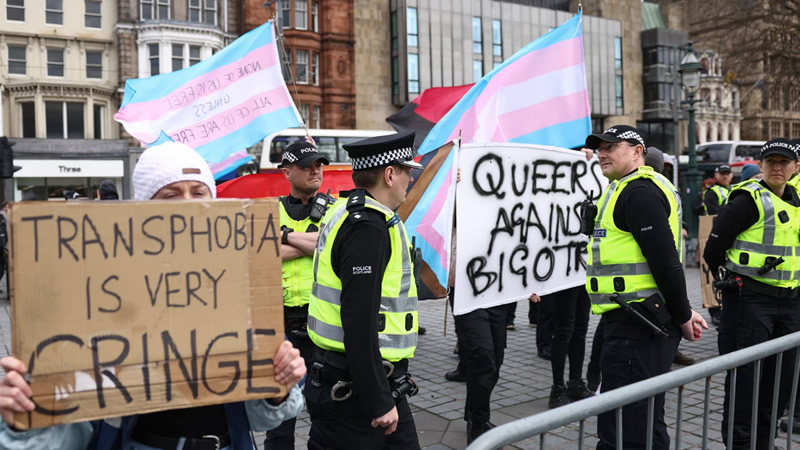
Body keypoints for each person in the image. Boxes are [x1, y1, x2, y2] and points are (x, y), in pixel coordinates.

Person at [0, 141, 307, 450]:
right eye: (171, 195)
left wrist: (278, 386)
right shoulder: (104, 294)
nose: (188, 205)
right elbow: (75, 432)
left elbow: (259, 419)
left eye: (198, 193)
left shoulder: (240, 288)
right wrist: (25, 418)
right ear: (145, 209)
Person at [585, 125, 707, 450]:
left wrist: (682, 314)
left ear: (637, 152)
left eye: (611, 147)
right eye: (600, 148)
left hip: (637, 326)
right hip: (638, 320)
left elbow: (665, 260)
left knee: (627, 426)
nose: (602, 154)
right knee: (642, 419)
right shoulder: (627, 188)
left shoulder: (638, 192)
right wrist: (681, 311)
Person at [304, 130, 423, 450]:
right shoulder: (367, 227)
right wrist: (378, 401)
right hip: (356, 394)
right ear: (389, 174)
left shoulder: (348, 211)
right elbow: (358, 322)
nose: (410, 179)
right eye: (407, 171)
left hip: (360, 382)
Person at [703, 138, 800, 449]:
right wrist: (734, 279)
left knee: (780, 382)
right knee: (746, 383)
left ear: (795, 167)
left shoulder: (796, 200)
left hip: (790, 302)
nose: (777, 167)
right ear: (760, 165)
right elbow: (712, 251)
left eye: (784, 162)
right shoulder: (747, 200)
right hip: (750, 302)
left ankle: (765, 442)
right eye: (771, 161)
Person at [266, 141, 332, 449]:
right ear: (286, 172)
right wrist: (312, 243)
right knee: (279, 418)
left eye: (318, 165)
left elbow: (329, 245)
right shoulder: (270, 210)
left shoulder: (335, 209)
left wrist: (284, 237)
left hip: (322, 326)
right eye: (306, 166)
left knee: (326, 416)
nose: (315, 171)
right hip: (280, 328)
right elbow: (262, 252)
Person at [530, 288, 593, 408]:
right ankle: (558, 388)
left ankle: (575, 382)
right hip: (565, 284)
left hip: (582, 281)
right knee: (564, 330)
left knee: (580, 328)